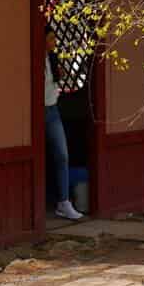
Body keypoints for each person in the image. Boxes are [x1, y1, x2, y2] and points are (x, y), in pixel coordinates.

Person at [45, 53, 82, 221]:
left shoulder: (52, 58)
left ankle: (63, 202)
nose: (53, 42)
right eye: (50, 38)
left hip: (52, 109)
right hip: (36, 108)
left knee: (62, 154)